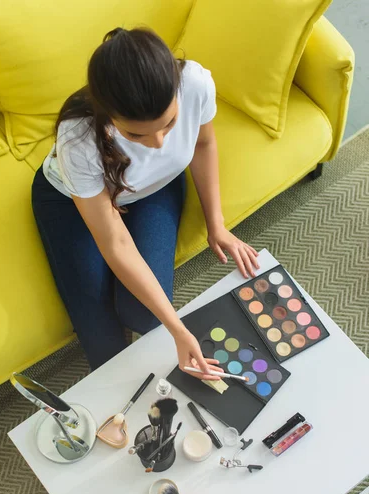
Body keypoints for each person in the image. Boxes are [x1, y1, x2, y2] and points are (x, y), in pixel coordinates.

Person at [32, 27, 259, 378]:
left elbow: (203, 146)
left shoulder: (195, 83)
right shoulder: (77, 137)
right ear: (107, 115)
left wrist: (217, 224)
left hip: (155, 188)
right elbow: (115, 241)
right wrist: (180, 330)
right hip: (71, 201)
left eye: (169, 124)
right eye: (136, 134)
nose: (156, 144)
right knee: (103, 341)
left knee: (144, 314)